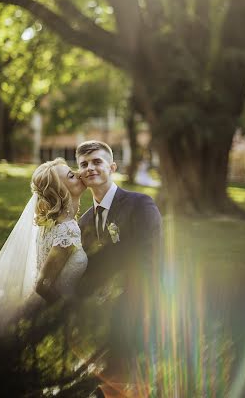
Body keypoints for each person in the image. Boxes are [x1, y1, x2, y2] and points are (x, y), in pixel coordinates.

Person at [0, 157, 87, 360]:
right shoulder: (66, 231)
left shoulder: (52, 224)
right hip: (58, 314)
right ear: (61, 191)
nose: (80, 174)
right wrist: (65, 308)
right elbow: (42, 285)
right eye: (71, 176)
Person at [76, 140, 163, 396]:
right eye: (84, 164)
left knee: (130, 365)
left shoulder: (139, 204)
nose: (90, 167)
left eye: (97, 161)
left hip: (139, 300)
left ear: (112, 166)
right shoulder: (84, 222)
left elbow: (150, 256)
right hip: (99, 311)